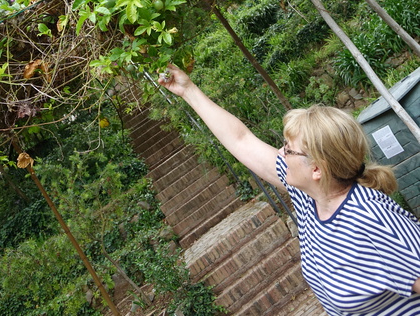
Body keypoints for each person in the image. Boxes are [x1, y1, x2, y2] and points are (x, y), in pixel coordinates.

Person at [158, 63, 420, 316]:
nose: (281, 154)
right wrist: (188, 90)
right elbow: (241, 140)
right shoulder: (309, 198)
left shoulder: (372, 218)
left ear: (317, 169)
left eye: (288, 149)